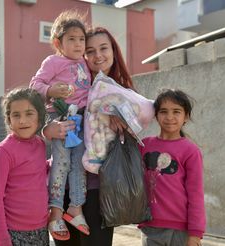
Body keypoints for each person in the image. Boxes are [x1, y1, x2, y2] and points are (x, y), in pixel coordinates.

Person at [42, 26, 135, 246]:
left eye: (103, 48)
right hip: (63, 188)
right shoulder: (68, 85)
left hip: (100, 189)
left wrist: (122, 123)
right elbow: (37, 118)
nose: (97, 55)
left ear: (114, 50)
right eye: (90, 51)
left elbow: (136, 131)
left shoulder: (122, 91)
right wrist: (47, 130)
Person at [30, 10, 91, 240]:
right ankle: (55, 212)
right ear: (58, 42)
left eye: (81, 39)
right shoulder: (54, 61)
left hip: (80, 121)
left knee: (79, 164)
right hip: (60, 117)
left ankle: (76, 207)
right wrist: (49, 90)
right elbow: (34, 84)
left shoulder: (85, 63)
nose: (78, 44)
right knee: (62, 163)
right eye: (72, 39)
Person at [138, 89, 206, 246]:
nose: (169, 117)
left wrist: (195, 234)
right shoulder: (143, 145)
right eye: (163, 111)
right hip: (150, 227)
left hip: (180, 231)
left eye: (176, 111)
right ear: (155, 115)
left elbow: (196, 195)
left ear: (186, 116)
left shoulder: (190, 151)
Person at [0, 87, 49, 246]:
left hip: (41, 230)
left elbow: (38, 171)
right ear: (8, 119)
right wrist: (2, 240)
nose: (22, 120)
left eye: (29, 114)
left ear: (40, 118)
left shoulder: (40, 145)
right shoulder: (3, 153)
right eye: (16, 115)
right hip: (12, 234)